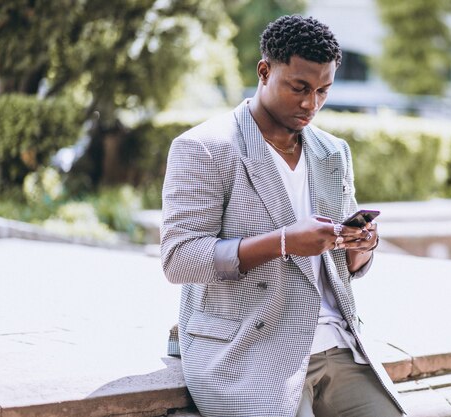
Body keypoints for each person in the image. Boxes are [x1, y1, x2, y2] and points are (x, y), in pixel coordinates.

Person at [160, 15, 405, 417]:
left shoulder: (333, 152)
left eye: (323, 90)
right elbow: (179, 259)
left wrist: (360, 248)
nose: (312, 104)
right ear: (264, 71)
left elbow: (341, 263)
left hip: (340, 348)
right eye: (300, 88)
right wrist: (285, 242)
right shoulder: (205, 148)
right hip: (250, 352)